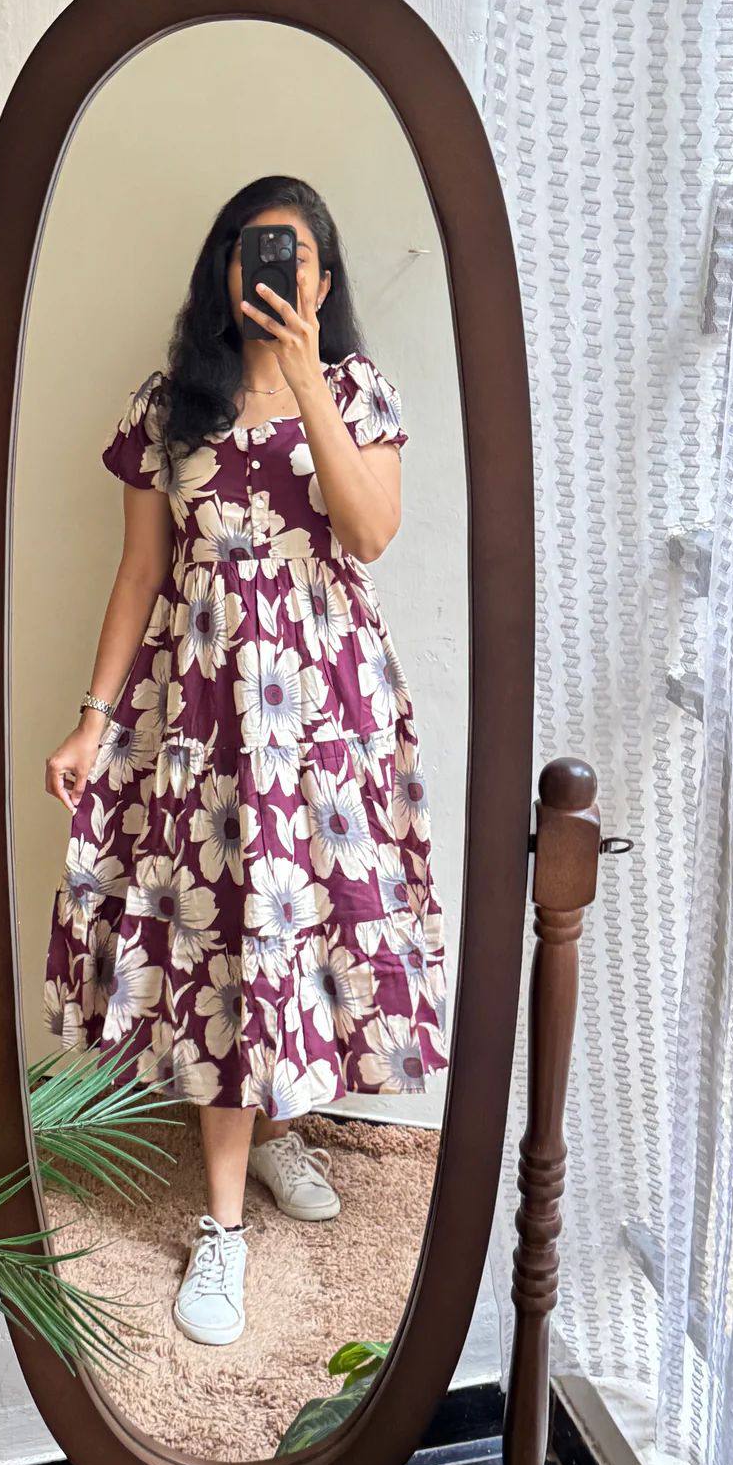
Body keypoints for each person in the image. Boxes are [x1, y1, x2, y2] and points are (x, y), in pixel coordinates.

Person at [43, 175, 447, 1347]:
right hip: (207, 714)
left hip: (325, 716)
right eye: (260, 254)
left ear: (324, 279)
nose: (281, 273)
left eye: (303, 256)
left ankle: (273, 1138)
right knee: (226, 943)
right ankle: (218, 1227)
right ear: (227, 269)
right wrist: (90, 717)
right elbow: (137, 576)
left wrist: (311, 374)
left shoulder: (357, 390)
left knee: (305, 936)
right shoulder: (172, 407)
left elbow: (368, 532)